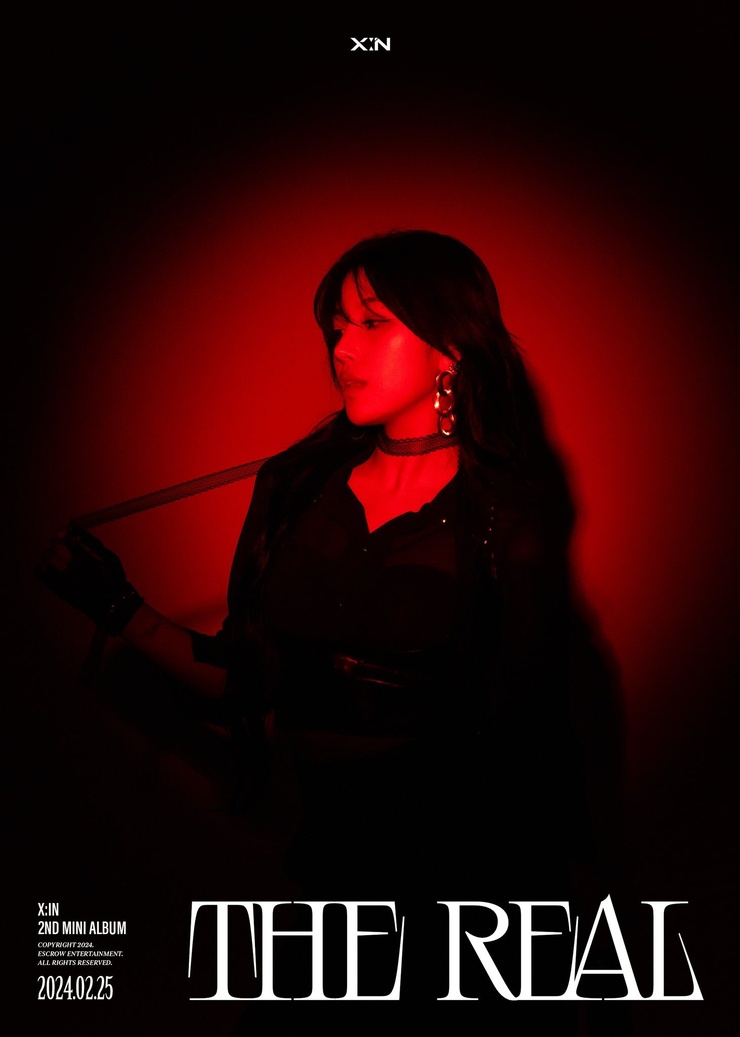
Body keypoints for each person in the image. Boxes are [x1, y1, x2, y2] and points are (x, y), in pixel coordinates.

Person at [36, 229, 624, 1013]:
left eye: (373, 322)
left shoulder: (503, 517)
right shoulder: (295, 486)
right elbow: (250, 681)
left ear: (450, 345)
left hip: (466, 897)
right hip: (322, 877)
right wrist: (117, 607)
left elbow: (538, 736)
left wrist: (576, 946)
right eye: (337, 327)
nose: (342, 348)